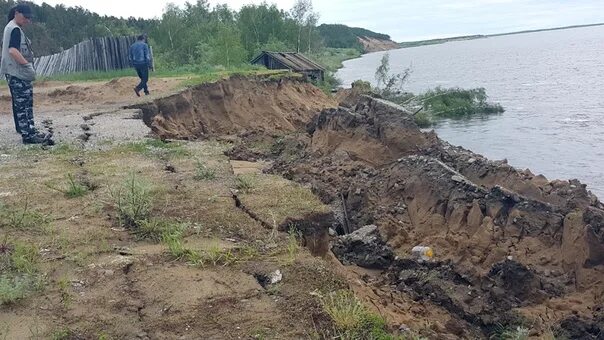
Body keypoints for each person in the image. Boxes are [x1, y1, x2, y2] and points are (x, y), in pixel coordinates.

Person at [0, 4, 52, 145]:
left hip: (14, 72)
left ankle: (29, 130)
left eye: (29, 18)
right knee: (23, 105)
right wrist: (26, 64)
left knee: (23, 103)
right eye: (26, 17)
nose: (28, 20)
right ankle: (28, 136)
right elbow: (13, 50)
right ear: (17, 13)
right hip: (18, 72)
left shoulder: (10, 27)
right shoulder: (15, 29)